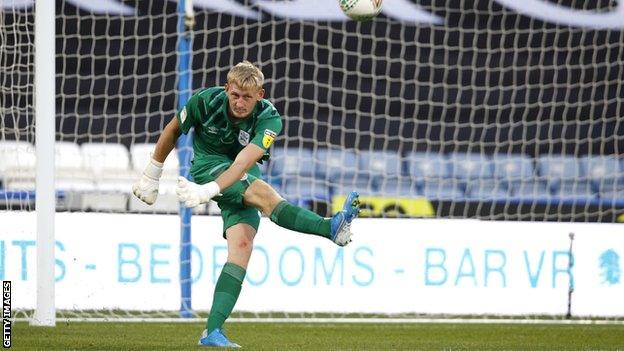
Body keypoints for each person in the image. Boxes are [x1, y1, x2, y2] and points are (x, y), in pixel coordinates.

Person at [132, 61, 360, 348]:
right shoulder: (205, 101)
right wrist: (151, 175)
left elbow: (243, 163)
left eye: (247, 97)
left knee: (242, 247)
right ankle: (329, 227)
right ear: (227, 89)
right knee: (263, 194)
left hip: (237, 175)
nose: (240, 102)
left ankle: (211, 332)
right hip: (207, 167)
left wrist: (211, 191)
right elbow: (173, 130)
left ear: (260, 95)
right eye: (235, 95)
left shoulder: (270, 119)